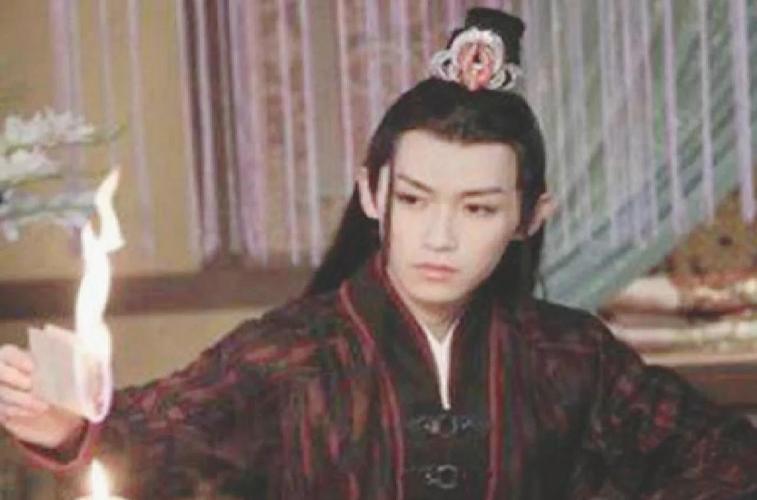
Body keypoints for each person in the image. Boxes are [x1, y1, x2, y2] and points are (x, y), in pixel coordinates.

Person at [1, 7, 757, 499]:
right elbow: (153, 433)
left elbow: (724, 457)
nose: (439, 235)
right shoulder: (291, 352)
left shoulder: (572, 356)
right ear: (372, 193)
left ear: (530, 216)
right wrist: (68, 427)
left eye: (478, 208)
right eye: (415, 198)